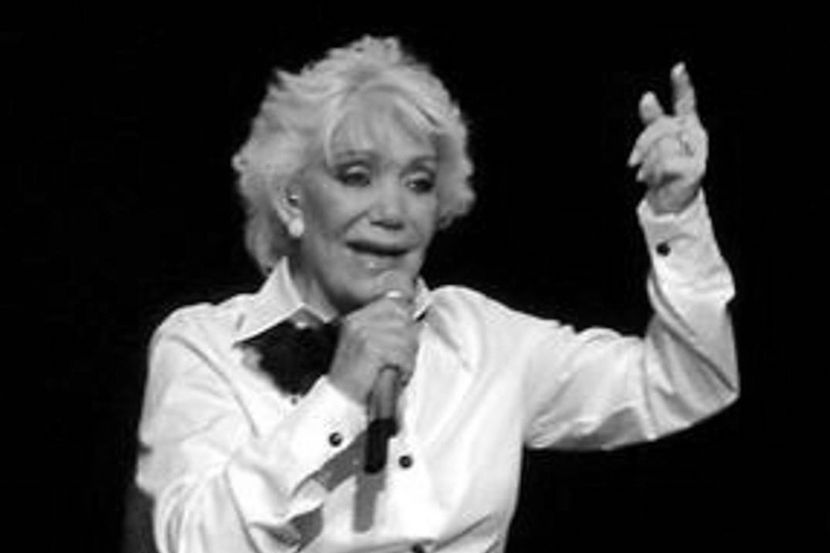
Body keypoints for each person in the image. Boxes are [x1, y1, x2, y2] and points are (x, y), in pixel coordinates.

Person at [127, 36, 737, 552]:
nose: (392, 212)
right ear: (292, 200)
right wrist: (339, 397)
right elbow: (186, 542)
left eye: (418, 183)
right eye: (357, 176)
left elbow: (685, 384)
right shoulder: (206, 346)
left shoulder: (484, 339)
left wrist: (675, 213)